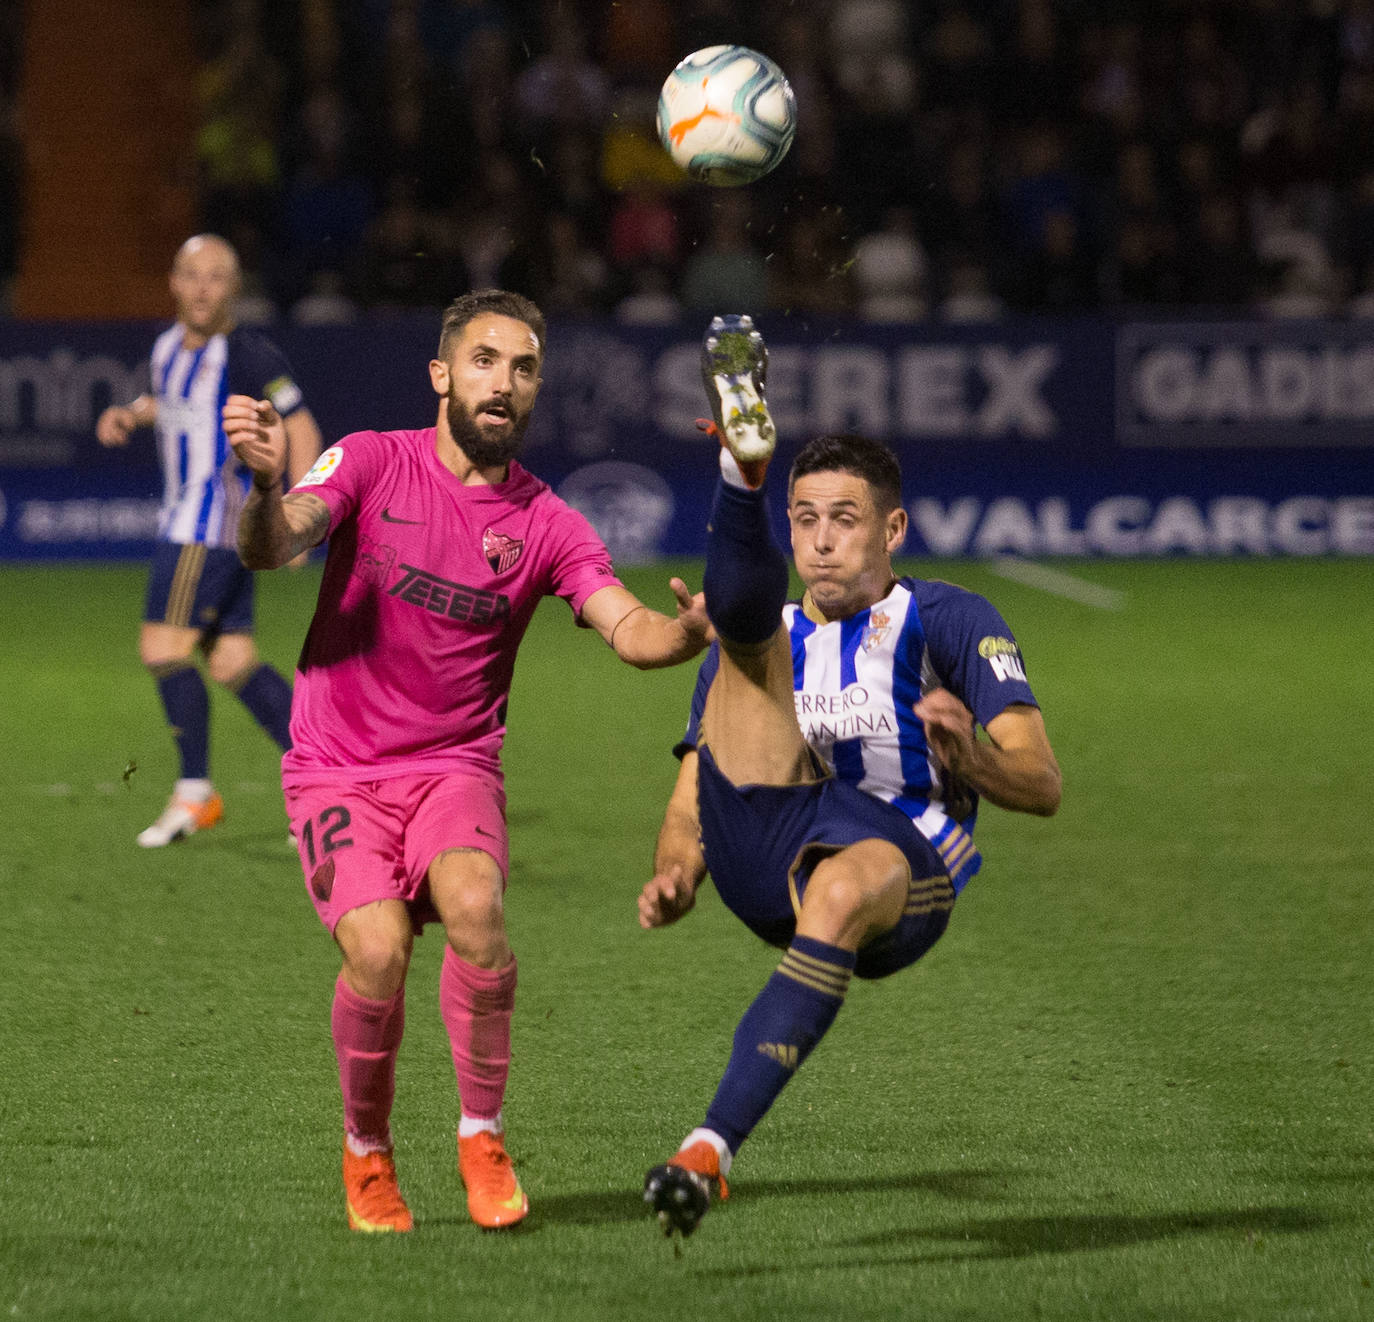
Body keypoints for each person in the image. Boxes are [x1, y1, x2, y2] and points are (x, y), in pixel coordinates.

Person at [223, 288, 710, 1235]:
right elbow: (277, 543)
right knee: (377, 950)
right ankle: (367, 1151)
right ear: (442, 375)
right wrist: (260, 488)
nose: (506, 383)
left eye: (524, 368)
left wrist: (685, 634)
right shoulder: (369, 460)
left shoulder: (549, 524)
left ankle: (481, 1135)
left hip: (453, 765)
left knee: (479, 913)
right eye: (485, 361)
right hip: (335, 767)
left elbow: (629, 628)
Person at [639, 315, 1063, 1237]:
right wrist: (676, 870)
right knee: (746, 644)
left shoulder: (947, 619)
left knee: (838, 883)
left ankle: (706, 1150)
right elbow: (691, 797)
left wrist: (973, 759)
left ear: (892, 529)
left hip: (900, 861)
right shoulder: (786, 643)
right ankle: (738, 475)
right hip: (771, 846)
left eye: (845, 520)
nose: (823, 543)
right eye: (804, 521)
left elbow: (1043, 782)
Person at [96, 234, 322, 847]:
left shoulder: (248, 354)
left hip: (208, 530)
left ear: (234, 288)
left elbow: (300, 426)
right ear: (172, 281)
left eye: (217, 277)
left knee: (163, 649)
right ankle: (331, 779)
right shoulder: (168, 346)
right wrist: (131, 414)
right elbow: (171, 402)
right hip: (207, 530)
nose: (202, 288)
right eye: (192, 275)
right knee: (231, 660)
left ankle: (195, 792)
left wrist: (299, 514)